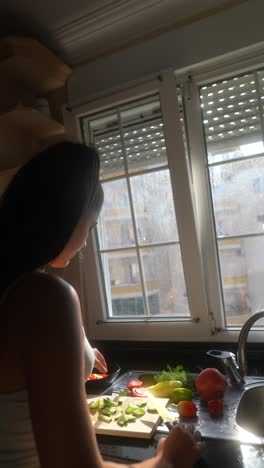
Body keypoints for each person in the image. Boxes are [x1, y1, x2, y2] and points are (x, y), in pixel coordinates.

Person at [0, 141, 205, 468]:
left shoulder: (15, 291)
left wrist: (79, 351)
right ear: (69, 216)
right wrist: (167, 459)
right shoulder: (46, 297)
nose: (85, 241)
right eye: (91, 226)